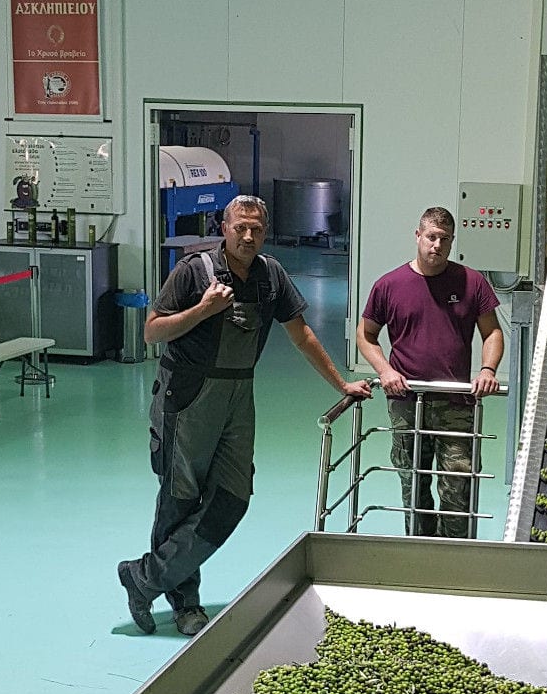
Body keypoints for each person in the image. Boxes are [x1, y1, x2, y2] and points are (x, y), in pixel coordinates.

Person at [118, 194, 371, 636]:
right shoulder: (193, 271)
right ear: (224, 226)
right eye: (240, 227)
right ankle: (185, 601)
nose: (248, 236)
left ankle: (143, 578)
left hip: (239, 396)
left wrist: (342, 384)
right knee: (181, 498)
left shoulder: (270, 275)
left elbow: (303, 334)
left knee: (232, 499)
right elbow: (152, 331)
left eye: (256, 228)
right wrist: (203, 310)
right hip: (189, 395)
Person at [357, 206, 503, 538]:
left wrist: (487, 368)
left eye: (445, 239)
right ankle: (419, 550)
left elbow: (492, 332)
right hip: (408, 402)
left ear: (452, 242)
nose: (437, 245)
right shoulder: (389, 286)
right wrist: (385, 370)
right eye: (431, 237)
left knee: (458, 483)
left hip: (455, 404)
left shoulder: (471, 282)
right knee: (413, 482)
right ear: (418, 236)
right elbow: (365, 336)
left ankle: (454, 557)